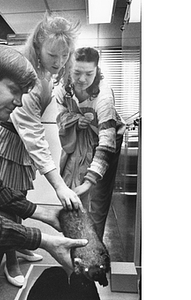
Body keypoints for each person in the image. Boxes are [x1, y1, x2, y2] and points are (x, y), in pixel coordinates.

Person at [0, 45, 88, 300]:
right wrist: (43, 240)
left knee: (3, 213)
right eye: (14, 91)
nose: (20, 102)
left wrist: (44, 214)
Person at [0, 12, 83, 287]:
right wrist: (58, 185)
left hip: (19, 143)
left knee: (18, 196)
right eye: (53, 55)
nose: (59, 62)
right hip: (8, 142)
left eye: (65, 55)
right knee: (6, 203)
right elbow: (32, 133)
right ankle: (11, 260)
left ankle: (20, 243)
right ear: (38, 48)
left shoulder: (46, 73)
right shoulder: (28, 76)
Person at [54, 47, 126, 241]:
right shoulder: (62, 89)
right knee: (75, 191)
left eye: (89, 74)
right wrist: (74, 120)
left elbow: (107, 142)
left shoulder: (103, 96)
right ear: (69, 68)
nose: (83, 79)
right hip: (81, 138)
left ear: (97, 71)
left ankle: (94, 252)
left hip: (107, 142)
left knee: (98, 200)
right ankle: (76, 241)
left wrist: (89, 181)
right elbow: (59, 116)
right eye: (77, 72)